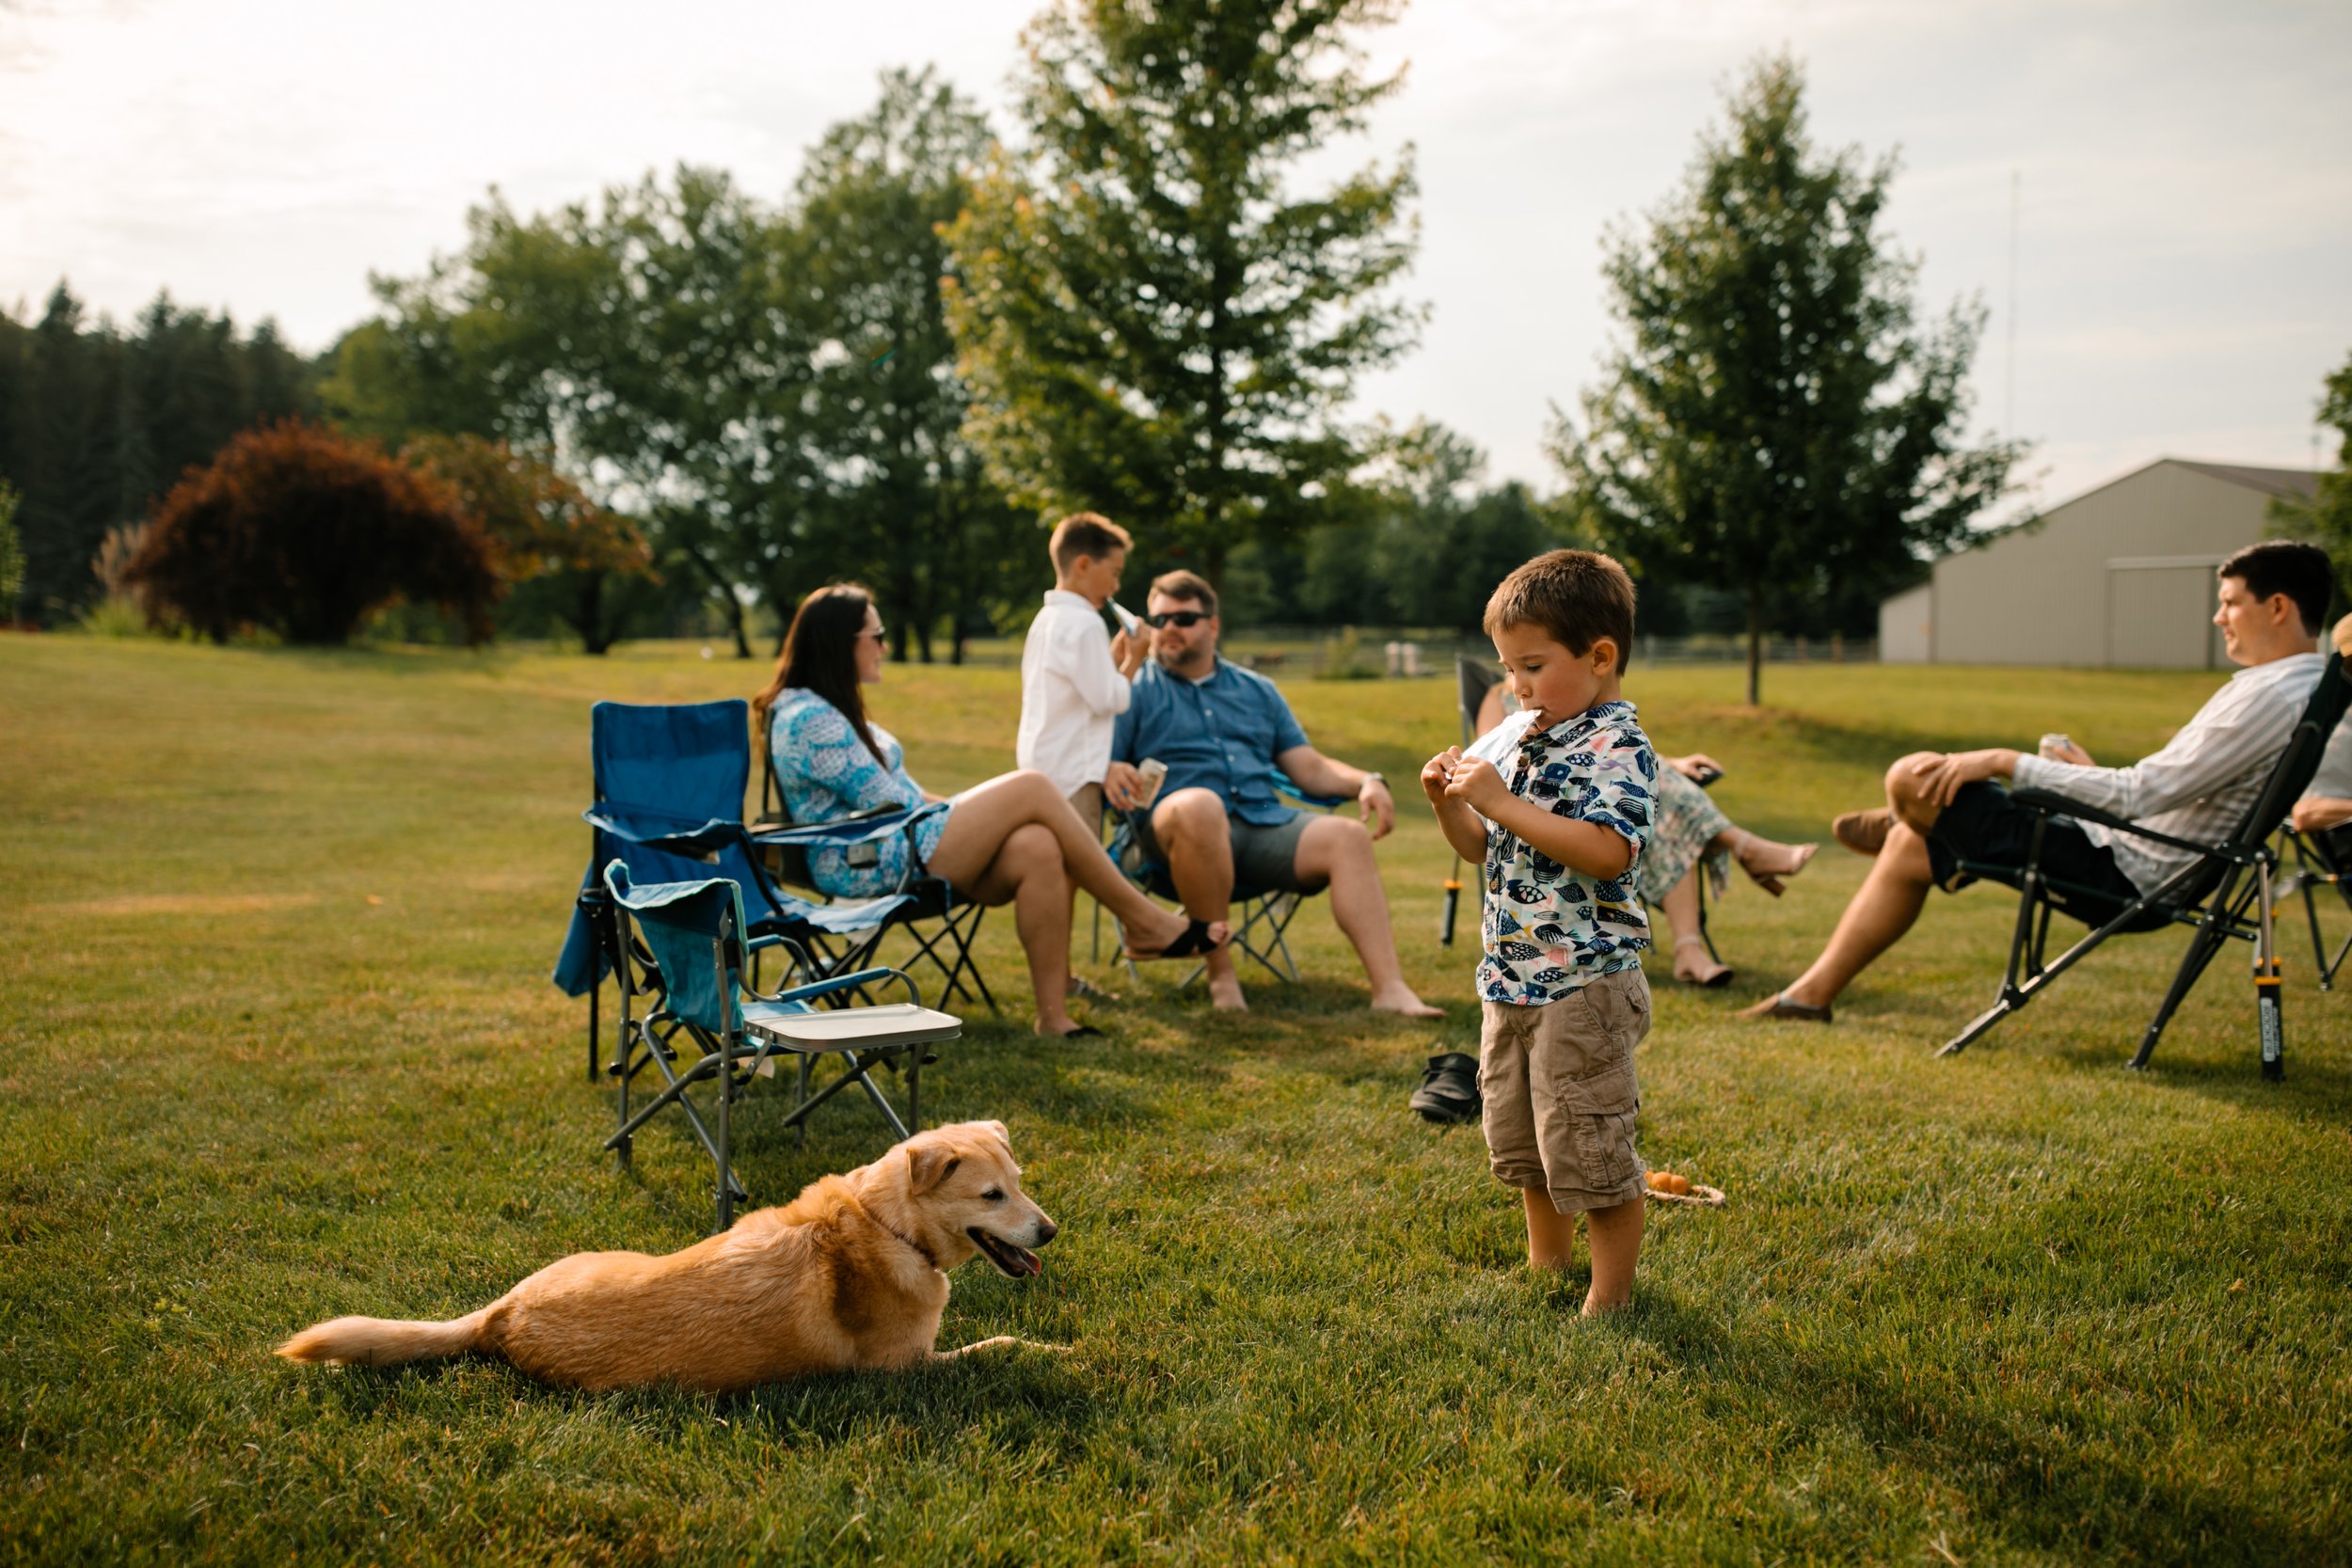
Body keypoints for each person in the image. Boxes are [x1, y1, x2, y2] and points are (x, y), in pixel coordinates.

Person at [1742, 540, 2337, 1023]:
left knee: (1915, 774)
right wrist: (2086, 774)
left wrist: (2004, 759)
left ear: (2278, 607)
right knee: (1909, 846)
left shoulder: (2267, 696)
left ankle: (1901, 812)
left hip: (2124, 870)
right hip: (2130, 848)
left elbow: (2141, 794)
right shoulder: (2295, 690)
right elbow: (2162, 789)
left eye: (2230, 602)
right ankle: (1807, 998)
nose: (2219, 617)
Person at [755, 583, 1227, 1039]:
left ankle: (1053, 1017)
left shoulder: (826, 708)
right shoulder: (810, 718)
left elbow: (904, 802)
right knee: (1033, 787)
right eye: (875, 636)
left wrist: (977, 814)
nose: (884, 645)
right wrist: (979, 810)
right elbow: (893, 807)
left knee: (1036, 844)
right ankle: (1145, 922)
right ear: (841, 644)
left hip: (898, 844)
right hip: (867, 865)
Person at [1421, 549, 1656, 1313]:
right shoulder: (1522, 739)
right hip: (1513, 977)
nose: (1515, 687)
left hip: (1583, 984)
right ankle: (1547, 1262)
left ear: (1600, 657)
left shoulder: (1616, 746)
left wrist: (1503, 802)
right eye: (1506, 668)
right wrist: (1452, 804)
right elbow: (1486, 850)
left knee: (1588, 1141)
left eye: (1531, 665)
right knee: (1525, 1137)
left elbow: (1608, 850)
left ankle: (1609, 1296)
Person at [1103, 570, 1441, 1017]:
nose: (1168, 629)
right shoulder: (1131, 690)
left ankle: (1390, 989)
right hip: (1167, 840)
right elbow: (1099, 762)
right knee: (1200, 805)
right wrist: (1111, 761)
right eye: (1158, 619)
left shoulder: (1257, 690)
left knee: (1347, 837)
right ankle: (1220, 974)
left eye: (1184, 618)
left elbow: (1310, 766)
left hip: (1259, 825)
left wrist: (1367, 780)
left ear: (1213, 625)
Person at [1472, 683, 1813, 986]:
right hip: (1554, 812)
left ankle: (1696, 938)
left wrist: (1668, 761)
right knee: (1665, 811)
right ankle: (1737, 858)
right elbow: (1496, 759)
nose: (1520, 682)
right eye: (1513, 668)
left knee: (1660, 808)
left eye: (1531, 665)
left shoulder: (1574, 696)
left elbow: (1606, 749)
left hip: (1600, 801)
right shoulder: (1500, 697)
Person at [1016, 512, 1144, 826]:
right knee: (1079, 866)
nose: (1115, 586)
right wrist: (1135, 659)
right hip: (1075, 775)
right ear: (1083, 565)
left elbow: (1078, 686)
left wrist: (1111, 662)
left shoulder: (1046, 620)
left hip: (1043, 767)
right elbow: (1109, 701)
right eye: (1114, 573)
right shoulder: (1086, 623)